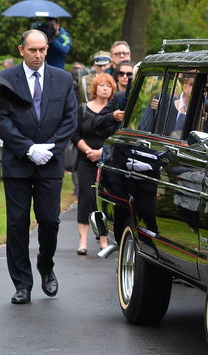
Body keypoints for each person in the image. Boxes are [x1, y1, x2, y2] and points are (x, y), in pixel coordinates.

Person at [0, 30, 78, 304]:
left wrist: (49, 148)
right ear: (21, 50)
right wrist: (28, 148)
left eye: (43, 49)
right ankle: (22, 283)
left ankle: (46, 266)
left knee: (50, 221)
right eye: (33, 50)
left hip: (50, 163)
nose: (39, 55)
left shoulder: (63, 79)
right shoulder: (4, 79)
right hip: (17, 162)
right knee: (17, 224)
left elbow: (70, 118)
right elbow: (1, 119)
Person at [72, 73, 123, 255]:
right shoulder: (83, 109)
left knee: (104, 199)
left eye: (108, 86)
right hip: (86, 159)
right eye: (101, 85)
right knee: (85, 197)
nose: (104, 88)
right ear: (94, 88)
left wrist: (102, 152)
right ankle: (83, 241)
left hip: (107, 160)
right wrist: (88, 151)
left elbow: (118, 136)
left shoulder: (116, 113)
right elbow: (75, 134)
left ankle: (103, 240)